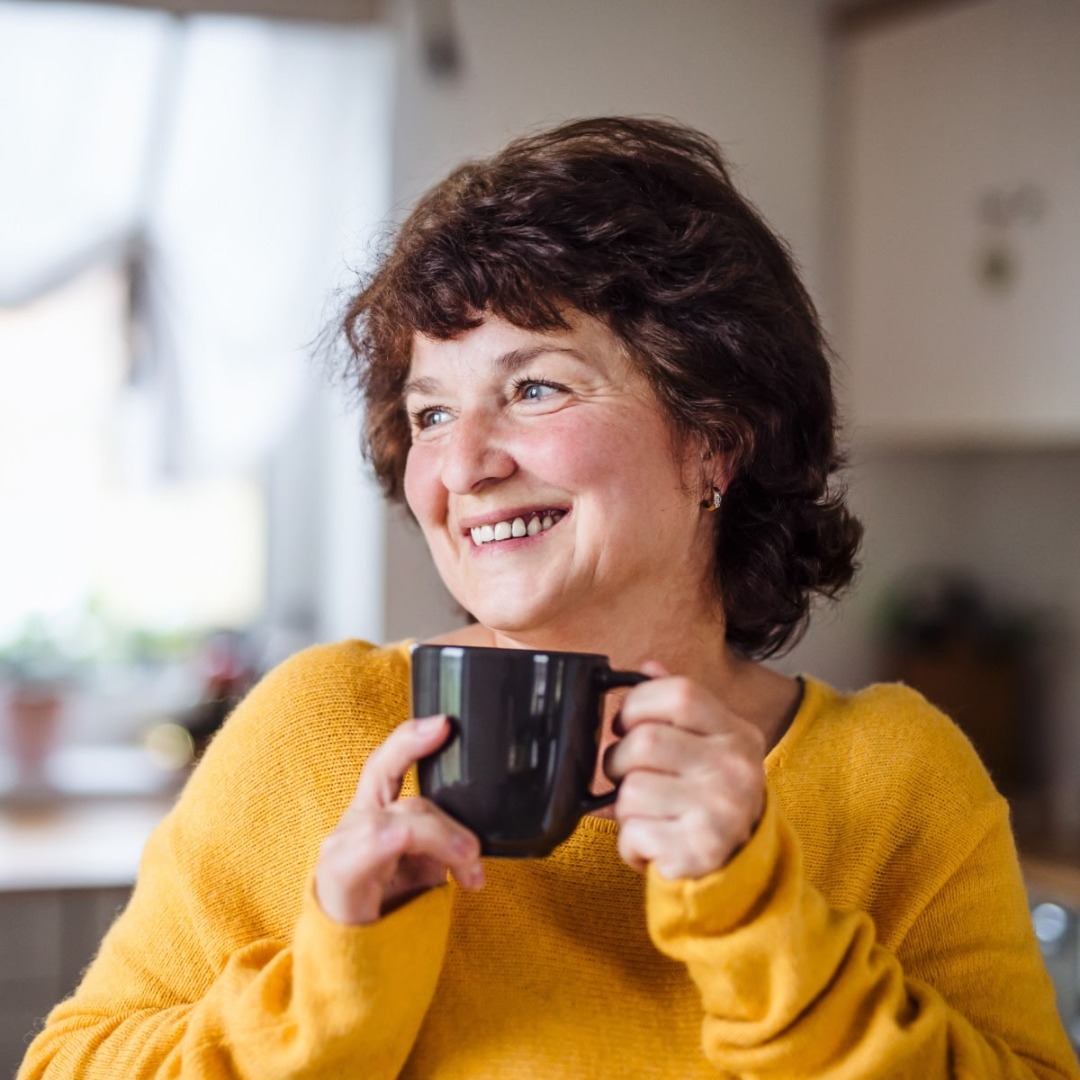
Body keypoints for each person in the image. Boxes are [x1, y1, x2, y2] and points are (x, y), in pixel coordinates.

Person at [19, 118, 1078, 1079]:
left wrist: (760, 916)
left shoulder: (894, 778)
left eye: (535, 388)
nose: (463, 464)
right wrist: (328, 984)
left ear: (715, 439)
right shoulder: (317, 729)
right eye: (431, 413)